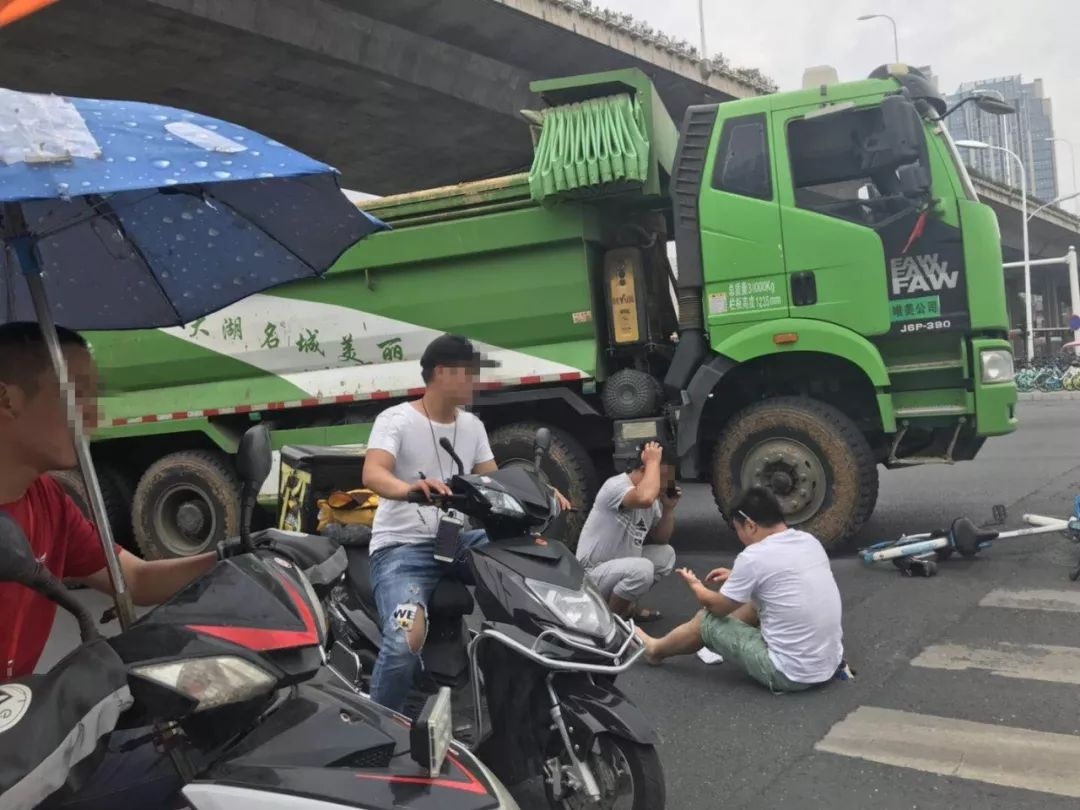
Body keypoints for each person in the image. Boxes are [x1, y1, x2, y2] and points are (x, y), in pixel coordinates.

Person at [0, 322, 222, 806]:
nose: (94, 417)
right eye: (77, 395)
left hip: (23, 739)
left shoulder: (48, 501)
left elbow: (135, 580)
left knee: (201, 756)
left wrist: (238, 555)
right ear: (7, 400)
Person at [362, 333, 569, 713]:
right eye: (468, 374)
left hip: (456, 541)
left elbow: (496, 484)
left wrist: (544, 491)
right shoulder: (396, 420)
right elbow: (374, 473)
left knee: (533, 571)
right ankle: (379, 726)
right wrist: (410, 489)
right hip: (402, 548)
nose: (476, 382)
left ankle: (530, 690)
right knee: (405, 639)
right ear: (442, 373)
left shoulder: (471, 426)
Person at [636, 487, 848, 693]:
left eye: (737, 529)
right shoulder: (808, 541)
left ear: (750, 525)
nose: (740, 537)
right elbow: (781, 577)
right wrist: (738, 577)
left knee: (706, 621)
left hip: (790, 675)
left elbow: (717, 608)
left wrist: (696, 586)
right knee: (756, 601)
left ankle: (655, 650)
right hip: (828, 665)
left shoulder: (754, 556)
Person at [576, 441, 679, 622]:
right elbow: (644, 497)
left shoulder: (653, 503)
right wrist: (653, 461)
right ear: (643, 469)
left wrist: (669, 509)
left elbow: (662, 538)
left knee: (666, 555)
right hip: (591, 575)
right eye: (661, 477)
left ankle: (626, 609)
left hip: (618, 570)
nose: (664, 485)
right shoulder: (616, 486)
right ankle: (607, 623)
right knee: (642, 570)